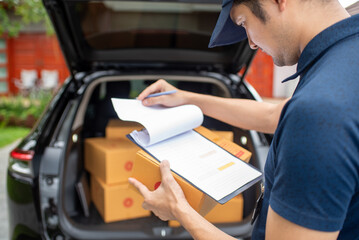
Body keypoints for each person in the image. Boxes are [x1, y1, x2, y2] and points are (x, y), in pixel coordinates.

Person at [128, 0, 359, 239]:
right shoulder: (345, 60)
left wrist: (179, 209)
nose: (249, 42)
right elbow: (274, 115)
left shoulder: (318, 112)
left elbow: (310, 115)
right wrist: (187, 99)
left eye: (243, 22)